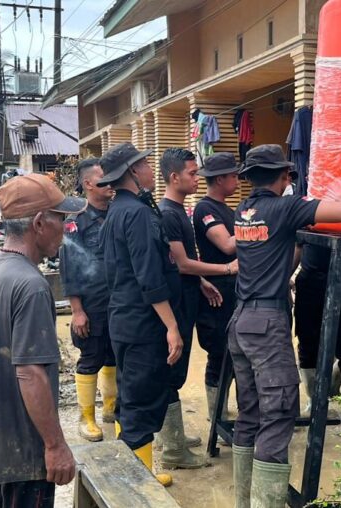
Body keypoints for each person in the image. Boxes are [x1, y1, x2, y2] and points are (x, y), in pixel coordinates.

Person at [229, 144, 341, 508]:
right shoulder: (285, 208)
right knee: (279, 413)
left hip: (242, 321)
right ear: (284, 176)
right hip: (267, 325)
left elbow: (279, 257)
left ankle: (244, 502)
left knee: (250, 413)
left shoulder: (244, 210)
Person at [0, 173, 82, 506]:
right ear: (39, 223)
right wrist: (54, 445)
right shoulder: (31, 286)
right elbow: (30, 373)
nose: (65, 229)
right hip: (25, 452)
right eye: (60, 219)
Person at [98, 142, 183, 487]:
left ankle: (139, 472)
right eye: (146, 164)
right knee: (141, 404)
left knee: (131, 399)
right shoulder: (136, 214)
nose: (150, 170)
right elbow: (149, 276)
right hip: (143, 324)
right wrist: (172, 326)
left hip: (124, 320)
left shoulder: (117, 211)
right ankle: (137, 488)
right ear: (133, 172)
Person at [157, 148, 237, 470]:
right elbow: (181, 263)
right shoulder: (169, 214)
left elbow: (186, 262)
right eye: (192, 174)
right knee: (171, 373)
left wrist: (201, 280)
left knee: (177, 372)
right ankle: (172, 449)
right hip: (176, 304)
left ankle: (172, 437)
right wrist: (227, 269)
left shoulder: (180, 211)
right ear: (174, 177)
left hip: (188, 297)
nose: (196, 179)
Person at [59, 158, 117, 443]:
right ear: (88, 184)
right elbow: (68, 267)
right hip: (91, 302)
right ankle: (86, 417)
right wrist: (77, 310)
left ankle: (110, 407)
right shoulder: (76, 221)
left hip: (117, 300)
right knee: (91, 356)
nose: (110, 183)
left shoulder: (117, 212)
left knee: (113, 354)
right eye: (103, 178)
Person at [192, 152, 240, 420]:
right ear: (219, 179)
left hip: (232, 290)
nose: (237, 180)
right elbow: (227, 245)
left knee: (235, 353)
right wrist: (258, 227)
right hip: (217, 291)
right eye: (233, 175)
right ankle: (217, 413)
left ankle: (225, 409)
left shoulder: (227, 210)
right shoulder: (205, 209)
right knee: (219, 352)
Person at [294, 247, 341, 409]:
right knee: (307, 343)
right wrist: (284, 280)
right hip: (309, 282)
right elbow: (298, 247)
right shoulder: (307, 226)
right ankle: (314, 401)